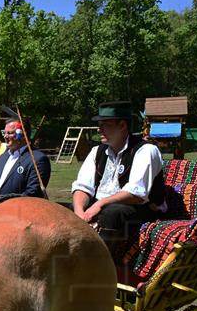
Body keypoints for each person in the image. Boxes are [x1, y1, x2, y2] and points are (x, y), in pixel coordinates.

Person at [71, 100, 165, 260]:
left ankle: (98, 267)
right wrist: (79, 212)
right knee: (58, 210)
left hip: (139, 209)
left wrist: (99, 204)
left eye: (105, 124)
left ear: (122, 125)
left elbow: (136, 193)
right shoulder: (97, 151)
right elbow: (82, 187)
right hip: (101, 206)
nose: (99, 129)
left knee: (112, 213)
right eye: (99, 124)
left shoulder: (145, 150)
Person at [0, 119, 50, 198]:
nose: (5, 136)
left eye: (10, 133)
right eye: (4, 132)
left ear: (22, 135)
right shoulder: (2, 157)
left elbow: (33, 192)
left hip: (19, 208)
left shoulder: (37, 159)